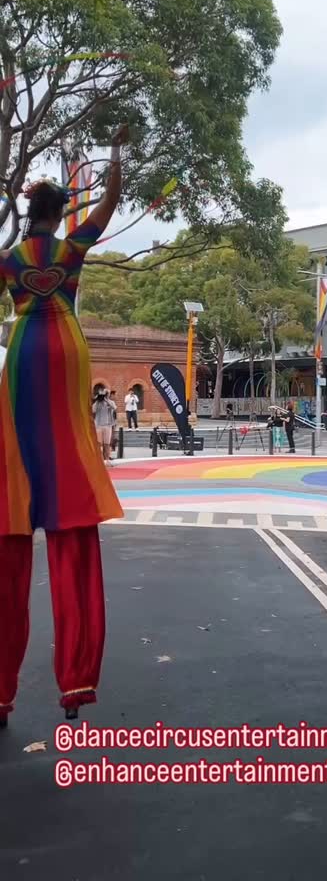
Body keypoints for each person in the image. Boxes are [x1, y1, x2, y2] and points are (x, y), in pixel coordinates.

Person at [0, 127, 128, 725]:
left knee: (16, 491)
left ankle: (2, 692)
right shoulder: (72, 248)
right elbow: (109, 201)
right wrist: (118, 154)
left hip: (23, 356)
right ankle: (74, 686)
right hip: (66, 354)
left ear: (30, 213)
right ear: (59, 213)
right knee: (68, 481)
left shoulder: (10, 261)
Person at [92, 388, 114, 464]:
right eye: (105, 394)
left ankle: (107, 460)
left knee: (107, 443)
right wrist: (97, 400)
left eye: (107, 394)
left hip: (108, 425)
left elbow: (114, 407)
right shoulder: (97, 403)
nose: (105, 395)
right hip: (98, 425)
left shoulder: (110, 402)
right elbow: (93, 410)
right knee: (99, 443)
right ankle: (100, 460)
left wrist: (106, 400)